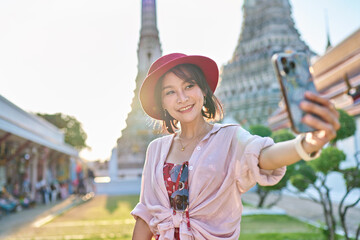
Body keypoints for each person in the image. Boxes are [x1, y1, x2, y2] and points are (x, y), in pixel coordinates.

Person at [131, 53, 340, 240]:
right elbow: (145, 216)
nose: (182, 98)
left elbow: (263, 156)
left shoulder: (230, 136)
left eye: (188, 86)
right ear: (162, 103)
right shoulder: (156, 149)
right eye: (170, 92)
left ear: (203, 89)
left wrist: (308, 143)